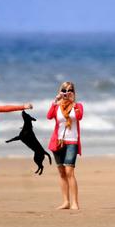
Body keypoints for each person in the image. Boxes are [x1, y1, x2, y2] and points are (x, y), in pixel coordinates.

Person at [47, 81, 83, 210]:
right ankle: (66, 202)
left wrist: (73, 103)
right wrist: (55, 101)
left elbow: (79, 117)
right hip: (58, 142)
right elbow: (49, 116)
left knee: (69, 172)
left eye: (70, 90)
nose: (66, 93)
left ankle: (75, 202)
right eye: (64, 90)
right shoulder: (57, 106)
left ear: (73, 92)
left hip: (72, 141)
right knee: (62, 173)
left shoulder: (78, 106)